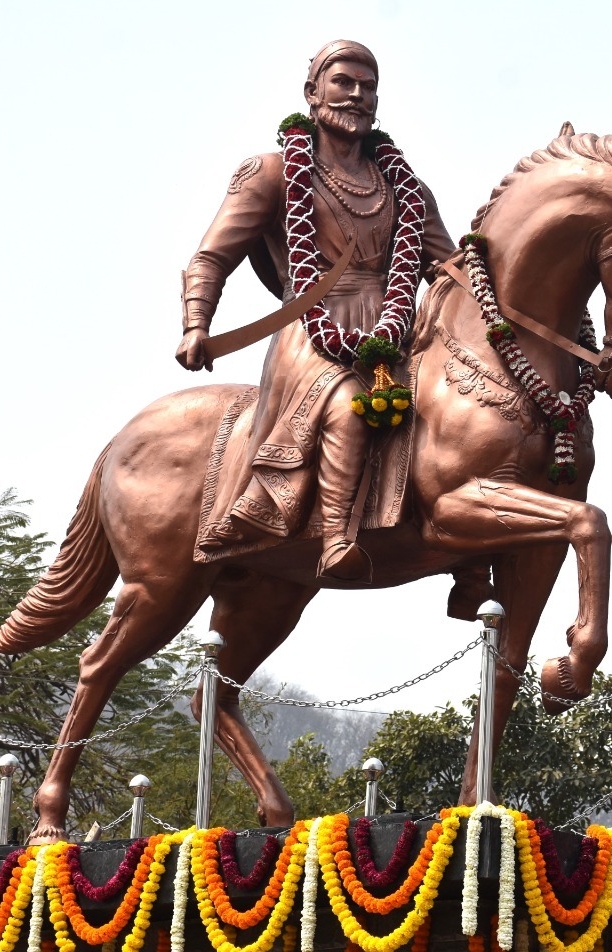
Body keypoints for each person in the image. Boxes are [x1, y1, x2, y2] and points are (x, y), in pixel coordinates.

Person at [176, 40, 456, 580]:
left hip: (396, 333)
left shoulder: (407, 188)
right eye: (343, 82)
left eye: (368, 87)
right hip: (313, 330)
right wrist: (196, 324)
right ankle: (335, 539)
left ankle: (467, 561)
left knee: (461, 415)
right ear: (312, 92)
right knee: (349, 403)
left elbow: (448, 271)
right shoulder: (274, 172)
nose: (356, 95)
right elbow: (211, 257)